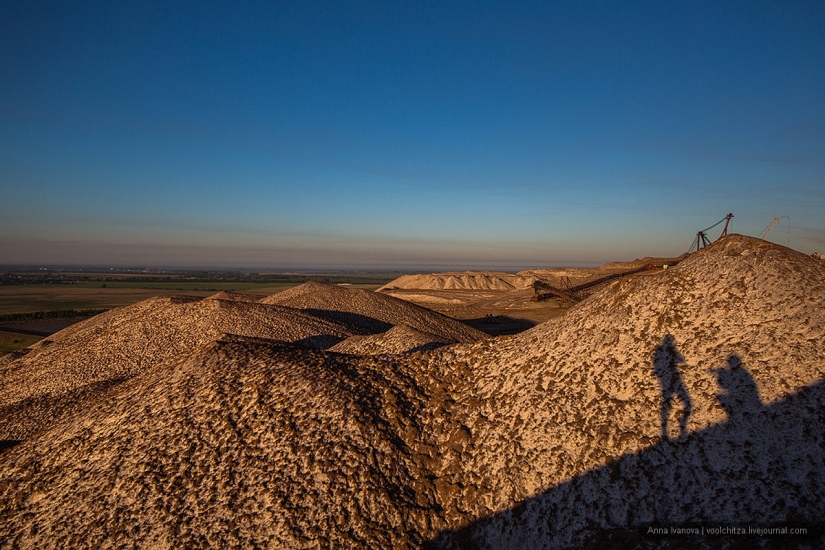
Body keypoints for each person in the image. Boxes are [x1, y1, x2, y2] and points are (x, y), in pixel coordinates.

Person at [652, 335, 693, 441]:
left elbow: (681, 360)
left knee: (669, 404)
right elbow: (682, 360)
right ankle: (671, 429)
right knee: (680, 404)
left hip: (669, 381)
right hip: (670, 381)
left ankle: (669, 429)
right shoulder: (663, 352)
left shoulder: (663, 352)